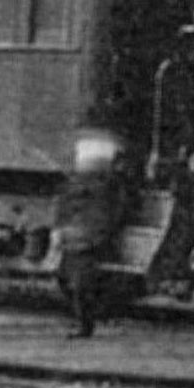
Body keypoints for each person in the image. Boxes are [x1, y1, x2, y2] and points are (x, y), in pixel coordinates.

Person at [55, 117, 127, 339]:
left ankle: (86, 323)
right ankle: (89, 318)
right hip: (84, 234)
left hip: (85, 237)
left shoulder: (88, 184)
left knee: (75, 279)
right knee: (69, 277)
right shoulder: (99, 183)